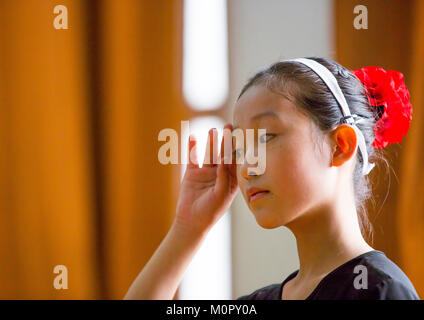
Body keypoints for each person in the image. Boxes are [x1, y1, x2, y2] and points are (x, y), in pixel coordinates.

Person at [124, 57, 419, 300]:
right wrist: (188, 227)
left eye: (265, 137)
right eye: (238, 149)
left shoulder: (380, 291)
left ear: (340, 146)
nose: (247, 166)